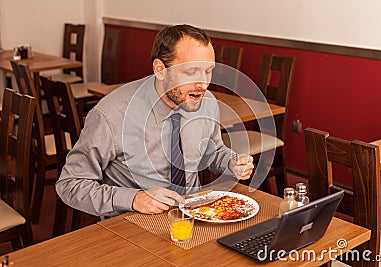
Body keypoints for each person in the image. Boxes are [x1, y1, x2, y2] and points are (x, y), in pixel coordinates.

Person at [55, 24, 254, 218]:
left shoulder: (207, 101)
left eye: (208, 71)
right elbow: (70, 184)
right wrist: (134, 199)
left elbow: (212, 151)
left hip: (195, 215)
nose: (203, 83)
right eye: (191, 72)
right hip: (133, 223)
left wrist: (230, 161)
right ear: (160, 69)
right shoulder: (112, 114)